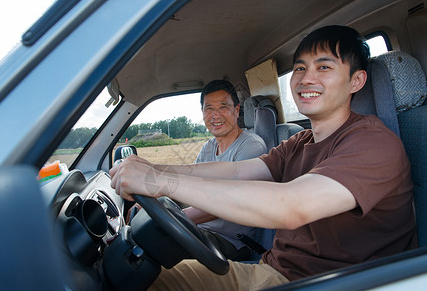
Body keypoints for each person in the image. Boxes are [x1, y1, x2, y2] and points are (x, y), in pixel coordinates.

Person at [110, 25, 417, 290]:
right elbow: (239, 172)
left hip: (329, 283)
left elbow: (291, 206)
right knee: (140, 275)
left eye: (323, 67)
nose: (305, 79)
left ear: (356, 81)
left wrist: (160, 182)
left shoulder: (373, 143)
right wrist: (154, 167)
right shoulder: (301, 141)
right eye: (299, 68)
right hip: (271, 272)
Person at [185, 79, 267, 261]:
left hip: (233, 242)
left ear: (236, 110)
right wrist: (155, 197)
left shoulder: (251, 147)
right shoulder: (209, 147)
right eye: (209, 109)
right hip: (204, 230)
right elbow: (189, 183)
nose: (216, 115)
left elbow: (227, 204)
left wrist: (179, 217)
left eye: (223, 107)